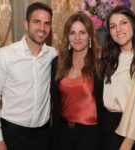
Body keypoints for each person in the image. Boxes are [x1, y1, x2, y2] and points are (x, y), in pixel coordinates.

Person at [0, 2, 57, 150]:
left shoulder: (53, 54)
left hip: (43, 135)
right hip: (12, 134)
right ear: (26, 24)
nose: (42, 28)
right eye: (37, 22)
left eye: (47, 24)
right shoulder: (5, 55)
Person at [50, 12, 104, 150]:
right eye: (72, 33)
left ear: (90, 36)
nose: (77, 38)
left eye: (82, 32)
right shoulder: (57, 63)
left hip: (91, 135)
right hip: (62, 133)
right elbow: (55, 102)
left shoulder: (100, 65)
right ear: (67, 37)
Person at [102, 6, 135, 150]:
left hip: (131, 130)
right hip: (109, 124)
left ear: (133, 24)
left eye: (123, 23)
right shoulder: (110, 58)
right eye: (113, 26)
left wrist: (128, 143)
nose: (118, 29)